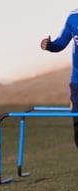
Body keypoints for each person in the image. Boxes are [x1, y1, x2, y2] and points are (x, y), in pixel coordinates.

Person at [40, 8, 78, 148]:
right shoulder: (73, 17)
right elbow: (61, 43)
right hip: (77, 82)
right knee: (77, 129)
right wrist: (49, 45)